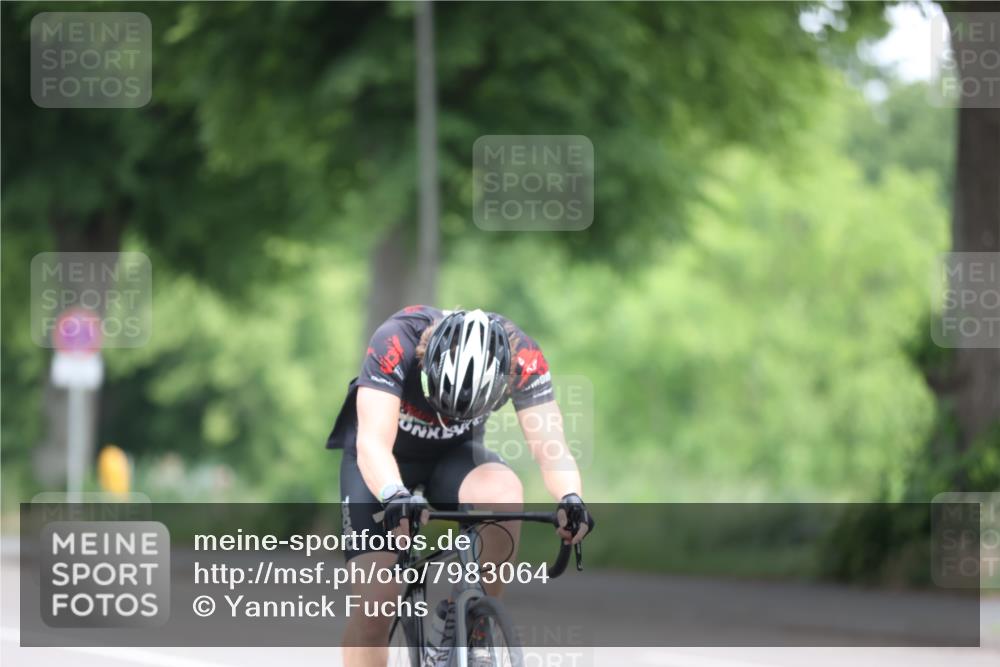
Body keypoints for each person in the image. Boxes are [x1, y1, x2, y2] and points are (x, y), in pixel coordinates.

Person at [327, 305, 594, 667]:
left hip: (453, 459)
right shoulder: (395, 340)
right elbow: (373, 443)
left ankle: (474, 626)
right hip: (382, 462)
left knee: (504, 494)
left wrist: (570, 497)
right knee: (375, 606)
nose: (450, 416)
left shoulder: (522, 355)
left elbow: (551, 446)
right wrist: (394, 494)